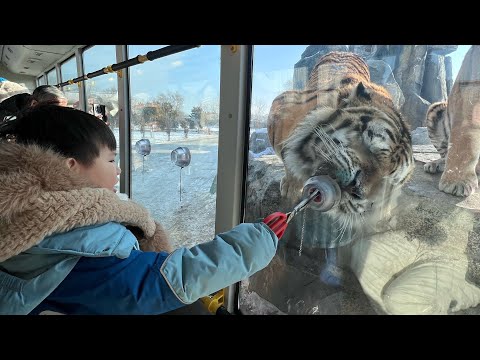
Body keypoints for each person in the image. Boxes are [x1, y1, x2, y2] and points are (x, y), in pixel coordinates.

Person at [0, 105, 278, 315]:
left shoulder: (20, 218)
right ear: (70, 166)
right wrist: (251, 246)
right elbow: (160, 283)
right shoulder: (83, 245)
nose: (118, 169)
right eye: (110, 160)